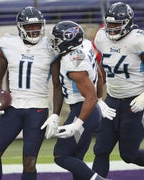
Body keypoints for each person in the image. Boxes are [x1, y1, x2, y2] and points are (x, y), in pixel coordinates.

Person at [91, 2, 144, 180]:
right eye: (109, 24)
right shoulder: (101, 37)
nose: (111, 29)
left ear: (127, 23)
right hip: (112, 100)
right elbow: (101, 70)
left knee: (128, 154)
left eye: (116, 24)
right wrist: (99, 98)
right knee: (101, 150)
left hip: (135, 101)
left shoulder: (139, 40)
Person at [0, 6, 56, 180]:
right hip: (13, 107)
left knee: (29, 162)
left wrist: (56, 114)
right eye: (29, 26)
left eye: (37, 25)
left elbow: (57, 85)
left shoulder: (51, 46)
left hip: (37, 109)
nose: (34, 29)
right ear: (20, 27)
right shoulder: (8, 44)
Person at [46, 20, 108, 180]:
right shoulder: (86, 45)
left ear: (68, 40)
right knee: (76, 159)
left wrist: (78, 123)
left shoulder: (72, 64)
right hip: (88, 110)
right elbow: (100, 75)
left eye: (57, 40)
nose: (54, 43)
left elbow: (90, 96)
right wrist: (100, 100)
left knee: (61, 155)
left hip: (84, 110)